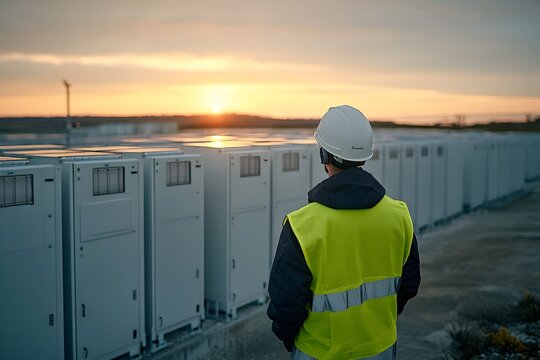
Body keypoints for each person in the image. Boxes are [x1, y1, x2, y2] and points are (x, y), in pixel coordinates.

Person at [267, 105, 421, 360]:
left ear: (324, 155)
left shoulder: (302, 226)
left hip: (318, 352)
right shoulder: (398, 215)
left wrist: (292, 341)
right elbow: (409, 284)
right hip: (380, 347)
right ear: (363, 156)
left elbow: (285, 304)